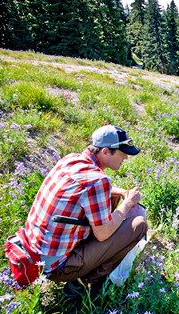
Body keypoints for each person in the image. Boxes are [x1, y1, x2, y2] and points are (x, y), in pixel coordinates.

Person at [24, 124, 147, 299]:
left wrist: (118, 193)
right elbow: (103, 234)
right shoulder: (98, 180)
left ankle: (85, 269)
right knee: (138, 225)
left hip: (35, 251)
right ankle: (83, 284)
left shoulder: (72, 159)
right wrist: (127, 204)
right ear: (105, 151)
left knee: (111, 198)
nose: (126, 157)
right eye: (122, 152)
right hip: (56, 267)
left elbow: (82, 190)